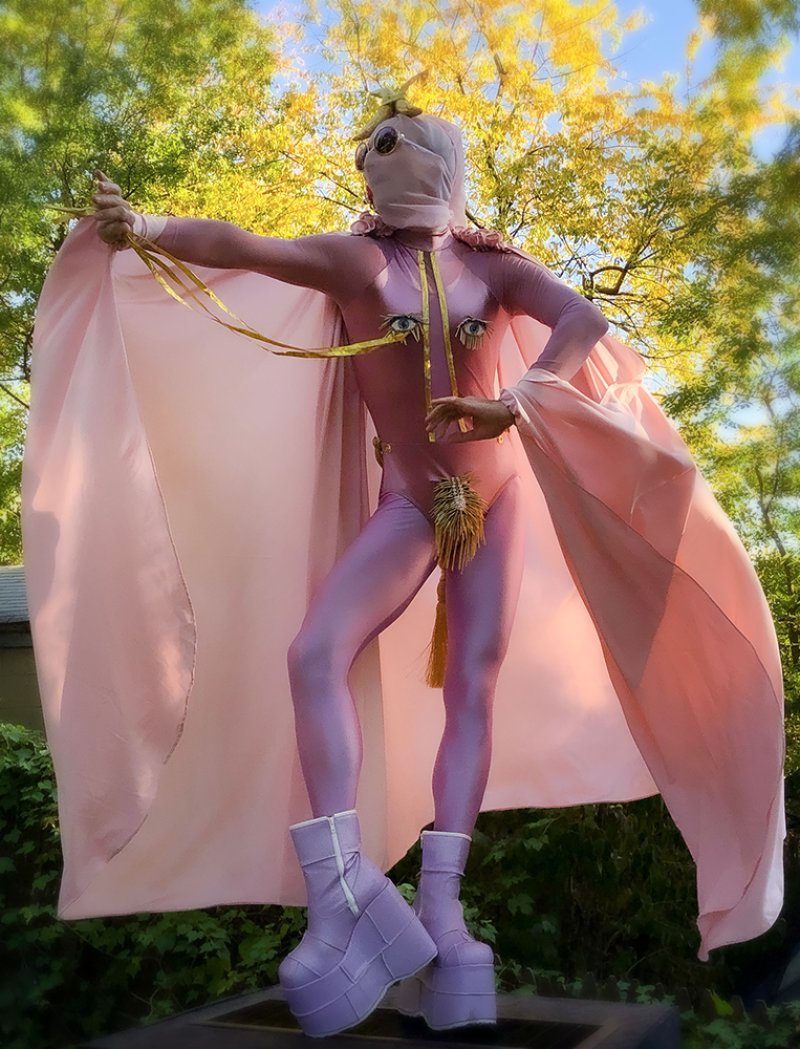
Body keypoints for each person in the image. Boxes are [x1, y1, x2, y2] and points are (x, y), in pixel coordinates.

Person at [25, 86, 784, 1041]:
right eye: (379, 151)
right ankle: (341, 893)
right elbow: (250, 246)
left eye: (410, 149)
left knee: (474, 684)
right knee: (314, 653)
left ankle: (443, 910)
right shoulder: (357, 259)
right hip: (412, 506)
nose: (390, 159)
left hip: (495, 502)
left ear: (446, 170)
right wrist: (150, 226)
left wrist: (523, 398)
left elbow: (581, 320)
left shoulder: (491, 263)